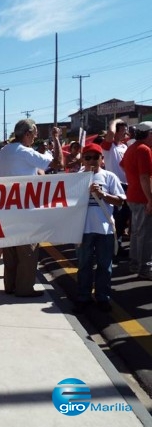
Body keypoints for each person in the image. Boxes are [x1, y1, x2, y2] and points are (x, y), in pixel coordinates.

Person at [0, 119, 64, 297]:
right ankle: (24, 288)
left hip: (6, 209)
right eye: (34, 135)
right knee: (28, 251)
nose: (34, 139)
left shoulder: (3, 151)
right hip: (25, 209)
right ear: (27, 134)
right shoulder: (24, 152)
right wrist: (56, 139)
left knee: (10, 251)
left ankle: (10, 285)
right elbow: (57, 163)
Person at [73, 144, 125, 313]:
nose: (92, 161)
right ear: (82, 159)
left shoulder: (110, 177)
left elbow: (120, 201)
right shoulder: (76, 178)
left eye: (96, 157)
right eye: (88, 157)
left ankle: (103, 297)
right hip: (83, 230)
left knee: (104, 266)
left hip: (105, 230)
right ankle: (83, 297)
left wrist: (103, 195)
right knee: (84, 265)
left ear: (102, 160)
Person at [120, 122, 152, 281]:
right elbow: (145, 177)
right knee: (145, 234)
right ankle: (144, 268)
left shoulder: (132, 148)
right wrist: (150, 199)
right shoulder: (144, 150)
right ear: (148, 133)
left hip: (133, 195)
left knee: (137, 232)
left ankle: (135, 263)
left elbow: (123, 166)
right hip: (141, 197)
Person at [101, 119, 130, 256]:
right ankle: (112, 251)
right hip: (114, 187)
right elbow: (111, 132)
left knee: (124, 220)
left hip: (127, 186)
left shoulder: (125, 147)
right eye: (123, 130)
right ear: (117, 132)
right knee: (116, 220)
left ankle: (117, 248)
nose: (125, 132)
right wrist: (116, 120)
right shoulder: (108, 147)